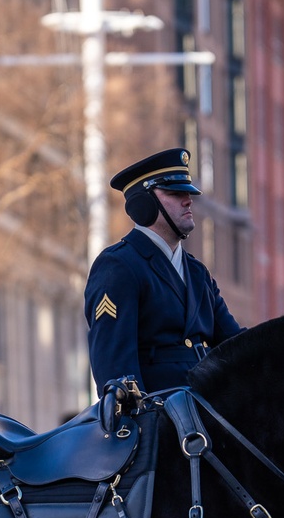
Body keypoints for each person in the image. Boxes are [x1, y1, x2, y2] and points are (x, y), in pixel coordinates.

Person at [84, 147, 241, 396]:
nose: (188, 200)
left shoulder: (198, 273)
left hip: (207, 412)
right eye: (175, 193)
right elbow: (115, 365)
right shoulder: (118, 266)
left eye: (188, 193)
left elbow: (237, 346)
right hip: (162, 422)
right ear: (143, 203)